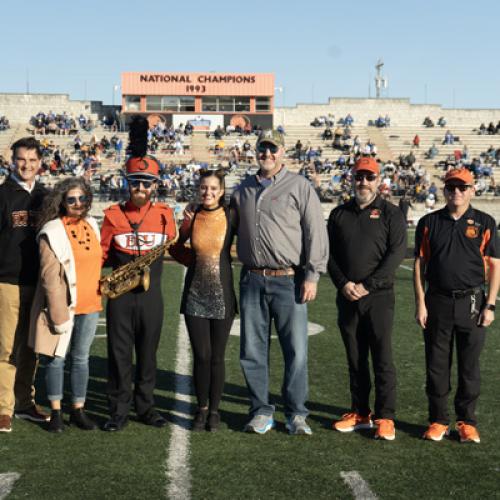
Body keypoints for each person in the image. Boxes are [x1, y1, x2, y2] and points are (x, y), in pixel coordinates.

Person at [231, 129, 328, 436]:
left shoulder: (299, 186)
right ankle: (260, 410)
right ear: (256, 151)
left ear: (283, 152)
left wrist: (312, 274)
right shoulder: (242, 189)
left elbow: (315, 231)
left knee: (296, 350)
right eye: (263, 149)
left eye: (273, 149)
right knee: (252, 350)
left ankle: (297, 413)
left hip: (289, 279)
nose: (267, 154)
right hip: (252, 278)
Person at [100, 118, 176, 431]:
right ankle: (118, 410)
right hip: (120, 298)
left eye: (146, 182)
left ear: (155, 185)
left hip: (151, 297)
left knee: (147, 355)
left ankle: (146, 407)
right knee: (118, 356)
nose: (140, 188)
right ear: (126, 183)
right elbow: (102, 254)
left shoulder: (164, 216)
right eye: (135, 182)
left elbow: (176, 247)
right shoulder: (112, 215)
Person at [414, 168, 500, 443]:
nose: (457, 192)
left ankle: (466, 421)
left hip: (473, 301)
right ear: (444, 191)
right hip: (437, 300)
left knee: (469, 366)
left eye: (462, 187)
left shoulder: (485, 222)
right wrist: (420, 302)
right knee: (436, 366)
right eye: (451, 187)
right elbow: (419, 264)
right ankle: (438, 420)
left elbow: (495, 266)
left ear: (473, 190)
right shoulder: (429, 222)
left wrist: (491, 305)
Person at [327, 156, 407, 441]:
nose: (363, 182)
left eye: (369, 177)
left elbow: (396, 254)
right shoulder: (339, 214)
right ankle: (360, 412)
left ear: (378, 180)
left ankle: (385, 416)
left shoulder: (391, 213)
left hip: (379, 297)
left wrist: (367, 285)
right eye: (359, 176)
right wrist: (344, 283)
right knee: (355, 357)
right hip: (347, 296)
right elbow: (330, 256)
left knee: (382, 356)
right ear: (352, 178)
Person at [29, 178, 101, 432]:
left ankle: (78, 409)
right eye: (71, 199)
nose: (78, 203)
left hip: (91, 304)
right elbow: (50, 277)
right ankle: (57, 411)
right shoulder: (52, 230)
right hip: (63, 307)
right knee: (56, 359)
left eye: (82, 198)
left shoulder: (92, 223)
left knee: (81, 359)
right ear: (62, 201)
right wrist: (58, 315)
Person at [169, 169, 237, 432]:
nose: (207, 192)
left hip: (223, 295)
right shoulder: (193, 215)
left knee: (218, 357)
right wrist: (193, 261)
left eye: (213, 188)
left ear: (221, 191)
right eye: (203, 188)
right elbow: (175, 246)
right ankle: (202, 409)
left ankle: (215, 411)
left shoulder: (232, 215)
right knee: (202, 356)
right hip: (195, 294)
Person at [0, 137, 49, 433]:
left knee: (32, 347)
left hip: (39, 283)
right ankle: (3, 408)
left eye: (32, 160)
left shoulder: (46, 196)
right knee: (5, 348)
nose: (26, 165)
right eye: (21, 159)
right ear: (12, 160)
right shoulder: (3, 194)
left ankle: (24, 402)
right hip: (6, 282)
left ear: (40, 163)